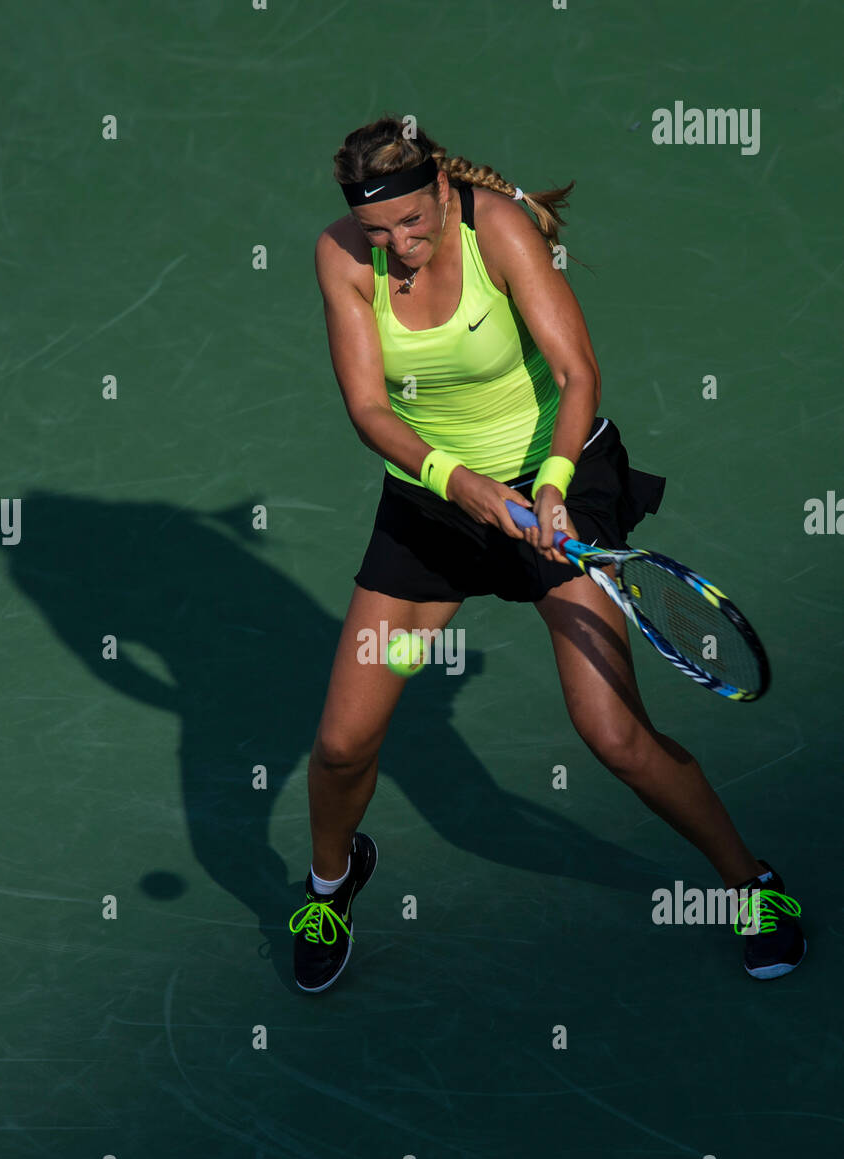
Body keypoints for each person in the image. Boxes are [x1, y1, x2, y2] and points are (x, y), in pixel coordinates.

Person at [287, 114, 805, 992]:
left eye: (414, 223)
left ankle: (754, 886)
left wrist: (554, 483)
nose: (399, 247)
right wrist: (467, 489)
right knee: (342, 743)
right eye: (380, 232)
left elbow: (578, 374)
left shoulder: (498, 228)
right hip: (437, 502)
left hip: (556, 483)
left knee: (614, 735)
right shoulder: (341, 256)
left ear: (444, 192)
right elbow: (372, 411)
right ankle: (330, 885)